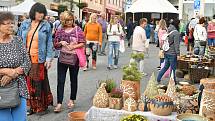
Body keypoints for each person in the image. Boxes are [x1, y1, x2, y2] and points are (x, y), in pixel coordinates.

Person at [17, 2, 54, 115]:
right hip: (26, 58)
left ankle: (40, 106)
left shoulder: (46, 25)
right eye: (39, 12)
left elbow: (49, 42)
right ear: (34, 12)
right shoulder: (25, 23)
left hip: (39, 58)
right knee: (27, 83)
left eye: (43, 13)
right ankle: (30, 106)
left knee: (39, 83)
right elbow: (18, 38)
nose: (41, 15)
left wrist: (49, 58)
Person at [0, 12, 31, 121]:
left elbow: (27, 61)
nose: (11, 26)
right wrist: (5, 71)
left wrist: (14, 73)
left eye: (12, 23)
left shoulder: (17, 40)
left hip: (18, 86)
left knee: (20, 119)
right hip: (1, 90)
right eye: (7, 23)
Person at [53, 11, 85, 112]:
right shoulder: (60, 30)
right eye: (67, 20)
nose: (70, 22)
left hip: (74, 58)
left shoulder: (77, 29)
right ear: (63, 21)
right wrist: (61, 42)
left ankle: (72, 99)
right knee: (60, 81)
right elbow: (55, 45)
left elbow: (83, 43)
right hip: (62, 58)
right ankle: (59, 103)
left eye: (71, 20)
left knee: (73, 79)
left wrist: (73, 46)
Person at [157, 18, 180, 84]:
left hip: (167, 51)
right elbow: (176, 45)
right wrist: (178, 54)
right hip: (172, 53)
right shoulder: (176, 33)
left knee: (165, 67)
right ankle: (173, 82)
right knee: (173, 68)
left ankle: (158, 78)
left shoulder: (168, 30)